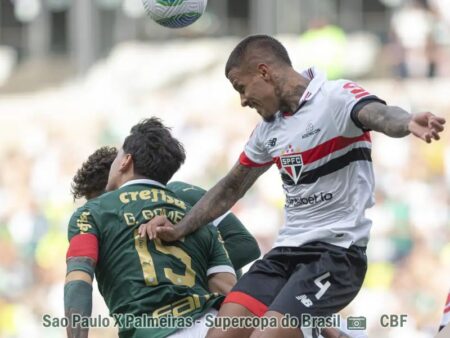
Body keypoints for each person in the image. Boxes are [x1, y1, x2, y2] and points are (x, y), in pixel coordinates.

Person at [142, 35, 446, 338]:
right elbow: (231, 187)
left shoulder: (335, 97)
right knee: (222, 333)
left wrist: (406, 122)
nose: (243, 100)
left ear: (264, 72)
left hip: (336, 254)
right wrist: (180, 228)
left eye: (241, 88)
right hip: (285, 253)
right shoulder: (266, 132)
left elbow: (380, 115)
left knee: (267, 336)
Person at [64, 118, 237, 338]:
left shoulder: (91, 213)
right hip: (212, 326)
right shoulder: (194, 216)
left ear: (125, 161)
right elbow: (227, 288)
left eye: (118, 155)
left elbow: (78, 280)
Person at [71, 146, 260, 273]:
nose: (98, 211)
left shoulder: (179, 194)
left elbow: (246, 246)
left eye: (100, 201)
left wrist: (189, 276)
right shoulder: (125, 232)